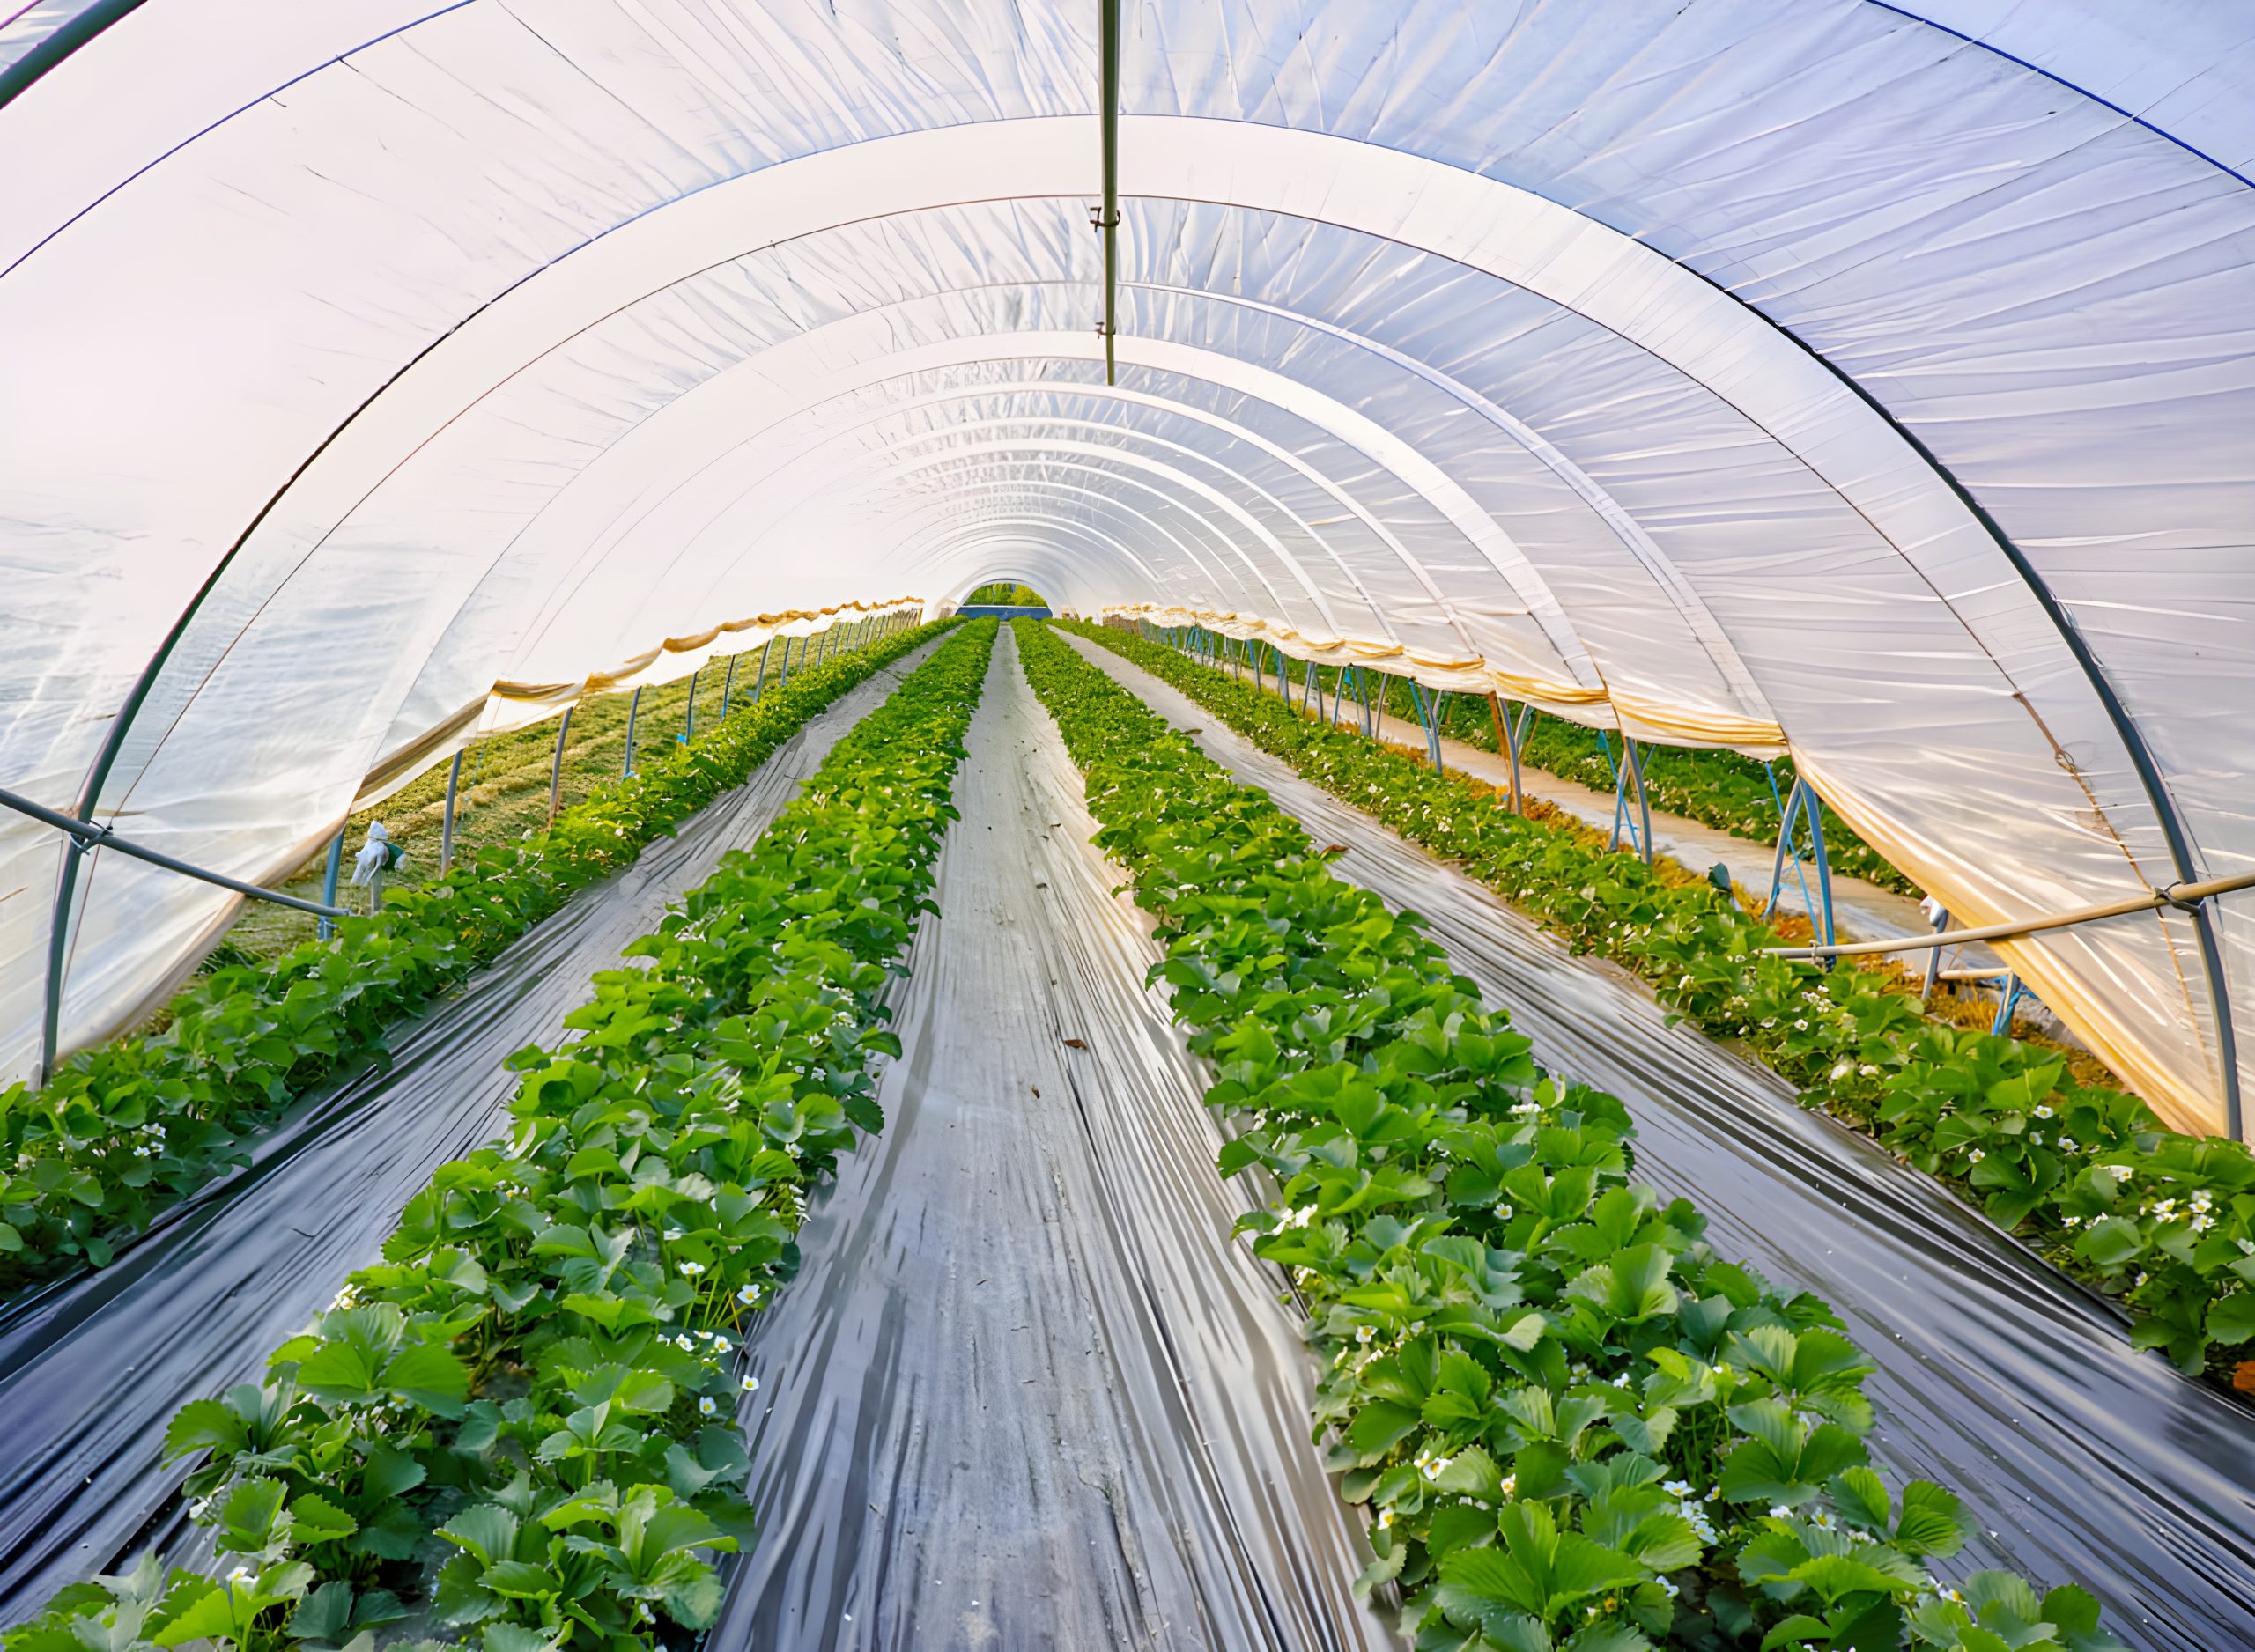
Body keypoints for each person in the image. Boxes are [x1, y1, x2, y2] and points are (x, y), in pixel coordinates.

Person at [350, 822, 404, 911]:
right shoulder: (371, 847)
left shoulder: (384, 849)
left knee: (376, 891)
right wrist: (354, 883)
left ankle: (376, 909)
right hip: (374, 870)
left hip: (378, 871)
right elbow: (361, 866)